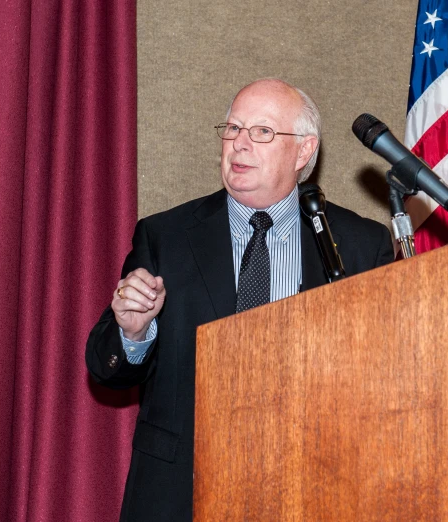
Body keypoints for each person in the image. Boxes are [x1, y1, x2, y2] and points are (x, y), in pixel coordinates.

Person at [85, 78, 394, 522]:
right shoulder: (167, 236)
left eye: (262, 132)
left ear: (304, 151)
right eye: (232, 129)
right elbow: (104, 366)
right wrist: (133, 331)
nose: (239, 144)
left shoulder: (359, 243)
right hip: (182, 494)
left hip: (314, 491)